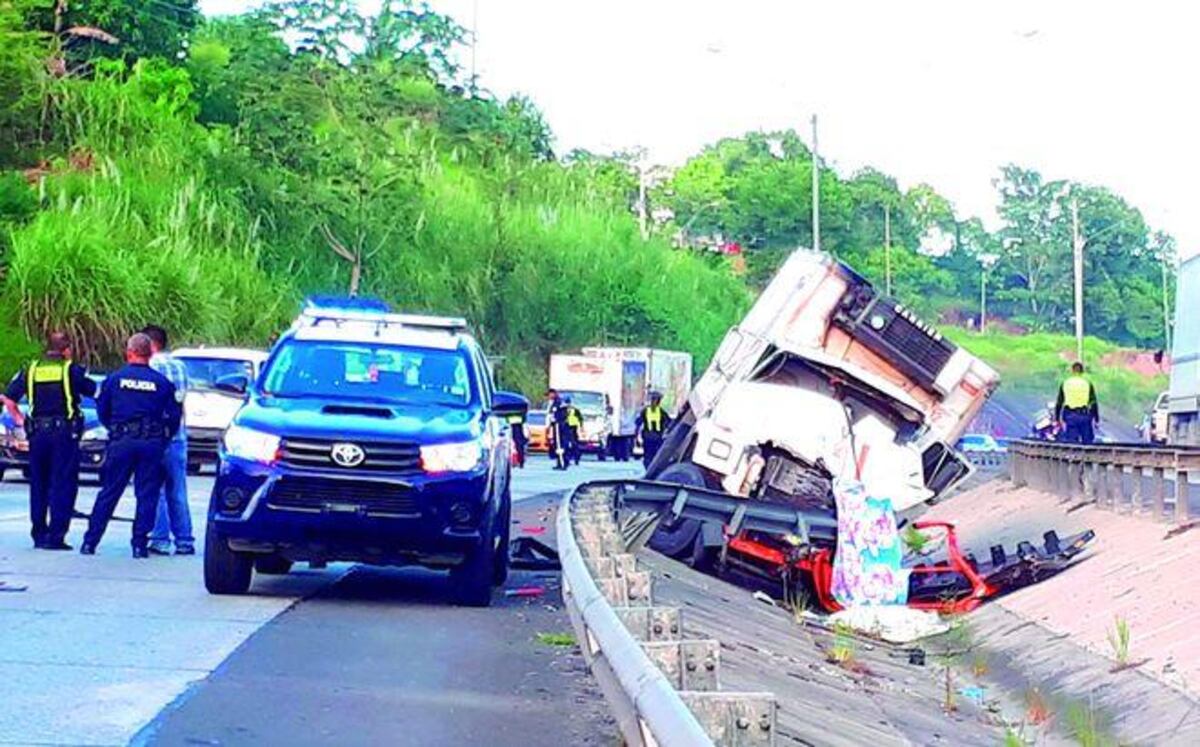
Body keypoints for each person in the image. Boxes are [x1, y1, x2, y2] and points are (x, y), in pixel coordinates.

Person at [81, 334, 183, 558]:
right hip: (151, 443)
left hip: (122, 441)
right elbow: (174, 417)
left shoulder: (114, 379)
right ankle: (139, 545)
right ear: (151, 353)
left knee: (109, 492)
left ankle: (90, 542)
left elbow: (102, 411)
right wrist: (161, 439)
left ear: (129, 353)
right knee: (147, 495)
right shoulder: (162, 383)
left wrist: (116, 430)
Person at [1, 331, 97, 550]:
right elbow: (93, 390)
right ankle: (56, 537)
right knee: (63, 484)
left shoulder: (31, 369)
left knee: (39, 483)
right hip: (63, 435)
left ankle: (39, 535)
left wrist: (20, 420)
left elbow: (7, 398)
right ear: (66, 350)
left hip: (37, 435)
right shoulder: (70, 370)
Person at [143, 325, 194, 556]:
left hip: (154, 437)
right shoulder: (180, 366)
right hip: (178, 436)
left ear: (150, 344)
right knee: (178, 489)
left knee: (157, 489)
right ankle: (184, 540)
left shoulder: (151, 366)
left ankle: (160, 539)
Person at [1055, 362, 1099, 445]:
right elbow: (1093, 403)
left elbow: (1059, 402)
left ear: (1072, 371)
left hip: (1070, 416)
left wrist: (1057, 419)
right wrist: (1096, 419)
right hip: (1085, 416)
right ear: (1082, 371)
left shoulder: (1065, 383)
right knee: (1087, 443)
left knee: (1072, 443)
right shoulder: (1087, 383)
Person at [636, 391, 673, 469]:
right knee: (653, 455)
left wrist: (636, 436)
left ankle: (649, 468)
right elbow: (669, 424)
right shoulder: (661, 412)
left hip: (650, 437)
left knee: (649, 455)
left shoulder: (646, 411)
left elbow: (638, 423)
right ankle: (651, 468)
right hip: (655, 437)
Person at [546, 389, 569, 471]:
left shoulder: (559, 402)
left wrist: (557, 421)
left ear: (553, 394)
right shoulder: (554, 403)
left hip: (559, 426)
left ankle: (563, 463)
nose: (548, 397)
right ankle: (559, 462)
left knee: (560, 445)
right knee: (557, 445)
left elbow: (563, 414)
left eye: (549, 394)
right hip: (556, 426)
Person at [564, 397, 583, 466]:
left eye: (568, 403)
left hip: (573, 428)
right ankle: (568, 459)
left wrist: (581, 428)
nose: (567, 404)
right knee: (567, 445)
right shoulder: (563, 410)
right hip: (566, 428)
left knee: (574, 444)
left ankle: (576, 458)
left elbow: (580, 419)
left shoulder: (575, 410)